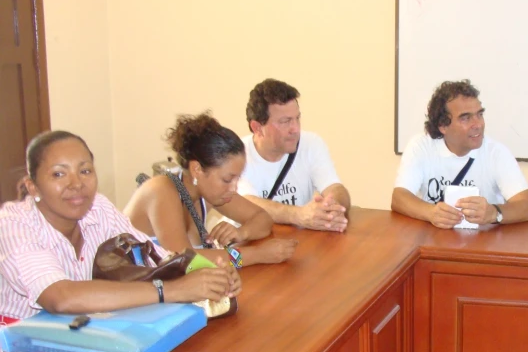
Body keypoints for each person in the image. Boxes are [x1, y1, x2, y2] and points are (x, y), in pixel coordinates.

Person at [0, 131, 239, 323]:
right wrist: (172, 291)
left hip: (87, 331)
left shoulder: (98, 208)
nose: (76, 184)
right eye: (59, 174)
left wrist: (211, 274)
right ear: (33, 187)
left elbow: (158, 258)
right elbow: (60, 298)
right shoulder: (14, 224)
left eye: (85, 171)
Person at [124, 112, 298, 265]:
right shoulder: (160, 191)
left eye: (237, 178)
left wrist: (241, 233)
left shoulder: (207, 191)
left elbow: (263, 219)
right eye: (227, 179)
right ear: (197, 170)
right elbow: (185, 261)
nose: (233, 187)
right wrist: (257, 255)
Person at [392, 79, 528, 228]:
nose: (478, 125)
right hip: (434, 240)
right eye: (466, 118)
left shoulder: (496, 153)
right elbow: (399, 197)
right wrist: (430, 212)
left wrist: (494, 213)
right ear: (443, 125)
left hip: (484, 242)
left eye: (479, 114)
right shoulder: (421, 146)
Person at [237, 78, 351, 232]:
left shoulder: (311, 143)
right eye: (285, 121)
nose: (295, 129)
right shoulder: (236, 154)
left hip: (294, 242)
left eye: (297, 118)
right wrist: (298, 215)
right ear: (257, 127)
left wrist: (332, 208)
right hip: (245, 247)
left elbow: (334, 187)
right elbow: (246, 204)